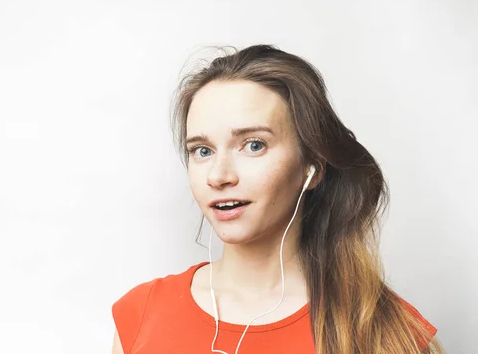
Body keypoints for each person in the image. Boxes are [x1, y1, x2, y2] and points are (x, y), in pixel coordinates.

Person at [110, 45, 443, 354]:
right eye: (202, 151)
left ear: (311, 167)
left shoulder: (384, 331)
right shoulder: (140, 314)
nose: (219, 175)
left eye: (254, 145)